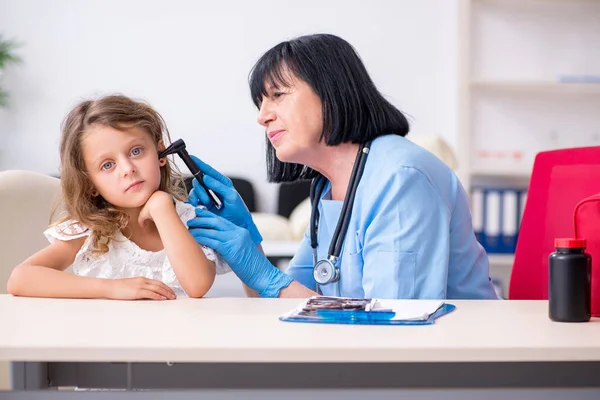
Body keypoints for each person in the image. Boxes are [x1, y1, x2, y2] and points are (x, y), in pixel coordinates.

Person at [187, 33, 499, 300]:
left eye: (278, 95)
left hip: (457, 363)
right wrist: (249, 248)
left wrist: (267, 276)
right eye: (260, 103)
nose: (262, 116)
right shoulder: (328, 188)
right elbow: (286, 302)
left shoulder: (401, 178)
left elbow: (394, 323)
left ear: (330, 91)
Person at [7, 95, 229, 300]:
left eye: (135, 151)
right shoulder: (91, 231)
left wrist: (162, 207)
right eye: (107, 165)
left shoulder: (189, 220)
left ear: (160, 152)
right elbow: (20, 278)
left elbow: (198, 285)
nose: (127, 169)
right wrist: (111, 288)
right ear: (90, 185)